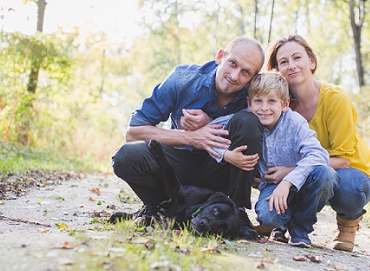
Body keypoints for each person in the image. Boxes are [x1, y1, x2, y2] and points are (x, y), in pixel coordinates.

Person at [111, 37, 265, 211]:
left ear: (253, 78)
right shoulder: (182, 79)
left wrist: (211, 123)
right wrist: (191, 138)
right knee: (125, 156)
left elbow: (272, 134)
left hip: (221, 170)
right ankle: (165, 207)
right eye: (232, 63)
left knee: (248, 122)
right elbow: (133, 132)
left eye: (246, 72)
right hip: (177, 165)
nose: (235, 76)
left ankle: (237, 212)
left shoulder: (255, 96)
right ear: (220, 56)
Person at [265, 34, 370, 251]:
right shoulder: (277, 105)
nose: (291, 66)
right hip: (308, 173)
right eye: (283, 62)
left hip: (349, 171)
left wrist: (289, 171)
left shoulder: (335, 98)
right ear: (276, 70)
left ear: (312, 62)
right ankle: (286, 221)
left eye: (297, 58)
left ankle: (348, 222)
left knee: (350, 189)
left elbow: (343, 159)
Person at [234, 71, 335, 248]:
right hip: (271, 187)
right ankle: (280, 225)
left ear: (285, 104)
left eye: (272, 101)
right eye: (258, 101)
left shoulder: (295, 123)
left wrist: (288, 181)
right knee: (268, 216)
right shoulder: (247, 120)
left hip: (302, 182)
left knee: (325, 173)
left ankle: (300, 227)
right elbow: (219, 126)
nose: (264, 108)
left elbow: (319, 154)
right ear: (249, 103)